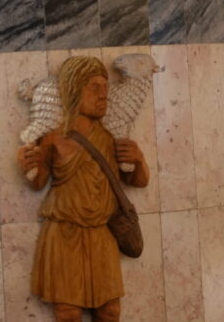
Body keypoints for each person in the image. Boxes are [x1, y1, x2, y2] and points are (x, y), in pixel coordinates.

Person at [16, 56, 149, 322]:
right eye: (94, 87)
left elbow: (138, 181)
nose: (103, 95)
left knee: (110, 311)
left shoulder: (111, 137)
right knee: (68, 313)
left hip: (102, 232)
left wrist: (138, 160)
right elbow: (38, 182)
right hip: (64, 233)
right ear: (73, 90)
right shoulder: (53, 138)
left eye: (105, 87)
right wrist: (27, 164)